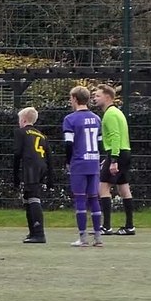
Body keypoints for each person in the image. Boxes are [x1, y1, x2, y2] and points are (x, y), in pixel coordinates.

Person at [62, 86, 104, 247]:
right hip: (94, 162)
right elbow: (100, 143)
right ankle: (98, 238)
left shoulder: (70, 119)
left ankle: (83, 237)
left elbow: (68, 143)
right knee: (94, 198)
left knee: (80, 198)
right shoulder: (96, 118)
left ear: (74, 99)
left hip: (79, 162)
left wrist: (68, 161)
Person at [94, 84, 135, 235]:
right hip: (125, 152)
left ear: (108, 97)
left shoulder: (110, 114)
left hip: (117, 153)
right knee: (123, 188)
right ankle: (129, 226)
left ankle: (106, 226)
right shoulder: (117, 112)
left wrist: (113, 159)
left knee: (103, 187)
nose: (95, 98)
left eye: (98, 96)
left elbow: (115, 136)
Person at [12, 107, 53, 244]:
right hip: (42, 166)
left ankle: (39, 233)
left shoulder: (20, 132)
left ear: (23, 120)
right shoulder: (41, 135)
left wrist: (15, 176)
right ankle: (33, 232)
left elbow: (17, 154)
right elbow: (50, 156)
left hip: (31, 167)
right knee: (28, 197)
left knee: (33, 198)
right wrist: (51, 178)